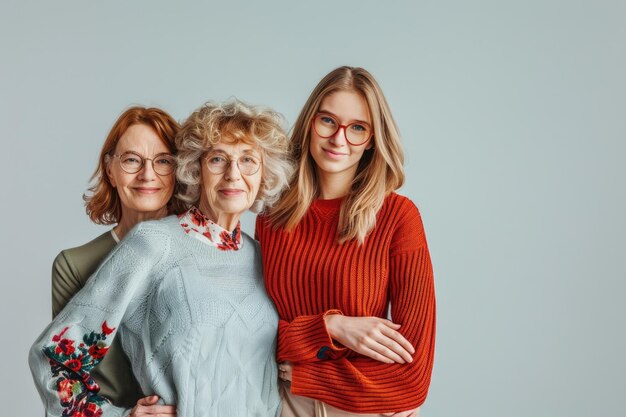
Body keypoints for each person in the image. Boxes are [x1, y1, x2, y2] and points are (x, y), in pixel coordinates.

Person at [30, 100, 293, 417]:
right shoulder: (153, 244)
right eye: (218, 159)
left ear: (264, 174)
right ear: (195, 170)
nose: (234, 174)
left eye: (248, 160)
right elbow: (56, 358)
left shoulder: (264, 257)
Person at [255, 66, 436, 417]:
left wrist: (304, 371)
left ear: (371, 139)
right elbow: (253, 334)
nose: (339, 139)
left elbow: (413, 379)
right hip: (285, 406)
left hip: (359, 407)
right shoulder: (272, 216)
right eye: (327, 121)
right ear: (309, 123)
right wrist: (332, 327)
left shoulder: (398, 217)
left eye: (357, 128)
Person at [50, 106, 180, 411]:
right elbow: (63, 373)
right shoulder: (75, 265)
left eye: (163, 161)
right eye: (132, 160)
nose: (147, 175)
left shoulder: (202, 253)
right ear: (110, 169)